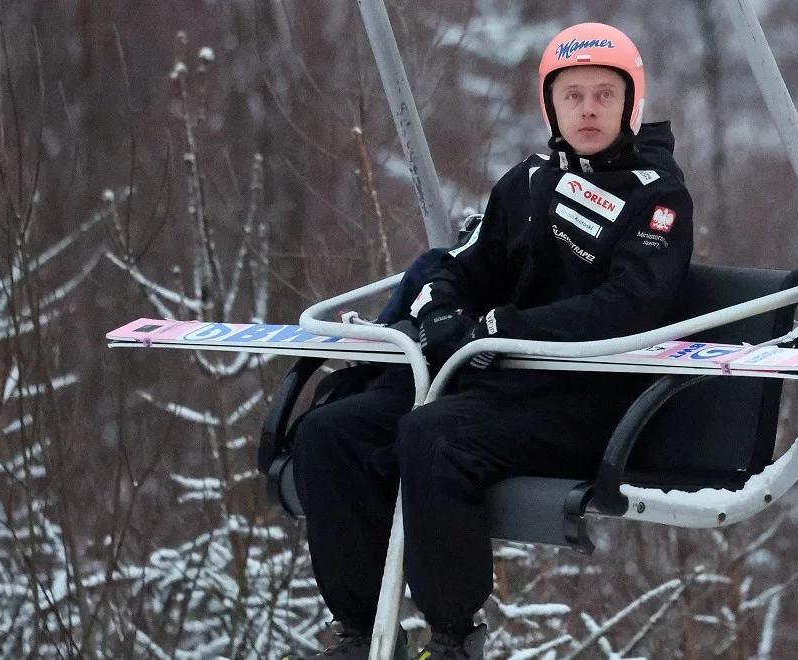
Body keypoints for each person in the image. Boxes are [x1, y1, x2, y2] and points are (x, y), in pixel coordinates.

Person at [289, 22, 693, 660]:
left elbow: (631, 305)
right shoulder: (529, 183)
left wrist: (517, 329)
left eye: (604, 96)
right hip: (492, 383)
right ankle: (363, 633)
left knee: (434, 436)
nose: (588, 110)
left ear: (630, 104)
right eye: (573, 96)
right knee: (330, 434)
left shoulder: (656, 197)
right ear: (550, 107)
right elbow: (460, 264)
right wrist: (444, 314)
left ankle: (452, 635)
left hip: (580, 396)